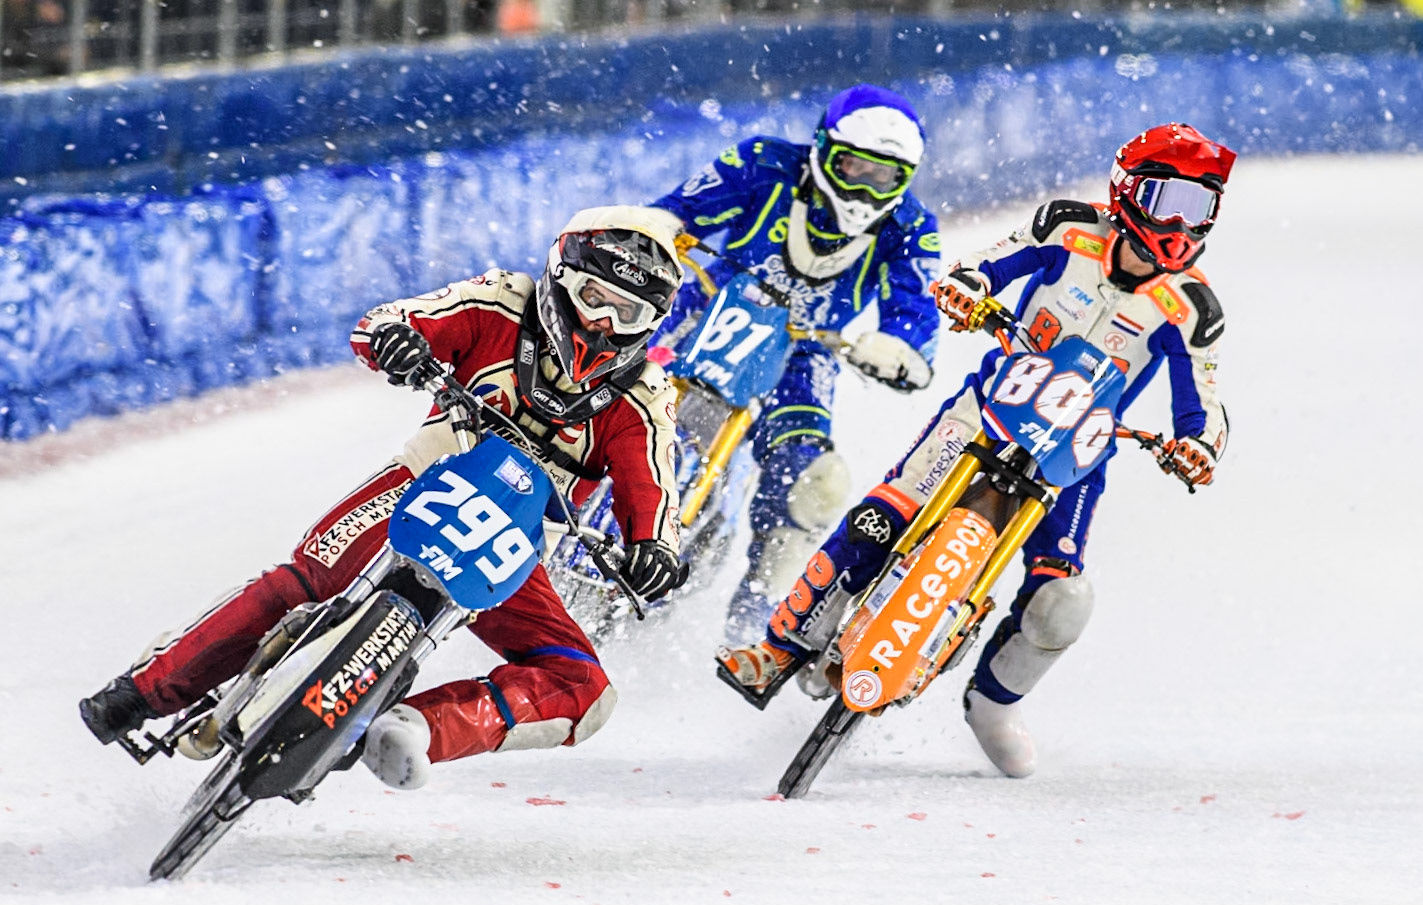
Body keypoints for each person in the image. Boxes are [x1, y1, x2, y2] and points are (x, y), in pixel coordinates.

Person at [80, 205, 690, 789]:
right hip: (423, 481)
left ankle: (409, 727)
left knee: (584, 687)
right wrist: (397, 340)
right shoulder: (501, 299)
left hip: (514, 546)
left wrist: (654, 549)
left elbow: (652, 489)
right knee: (307, 582)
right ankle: (144, 690)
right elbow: (384, 322)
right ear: (560, 280)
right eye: (592, 298)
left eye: (628, 313)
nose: (602, 324)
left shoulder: (645, 395)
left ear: (651, 325)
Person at [717, 123, 1235, 777]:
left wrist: (1197, 447)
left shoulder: (1190, 307)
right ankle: (779, 646)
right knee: (882, 515)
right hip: (986, 410)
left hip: (1075, 455)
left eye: (1202, 207)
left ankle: (993, 707)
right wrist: (966, 290)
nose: (1183, 227)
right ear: (1129, 191)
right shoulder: (1063, 229)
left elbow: (1203, 405)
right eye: (1171, 202)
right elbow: (982, 264)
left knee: (1061, 600)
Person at [649, 84, 942, 638]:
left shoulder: (911, 228)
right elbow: (678, 210)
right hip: (710, 305)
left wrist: (901, 347)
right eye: (852, 165)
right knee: (603, 384)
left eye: (885, 176)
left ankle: (756, 611)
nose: (864, 185)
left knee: (818, 482)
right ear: (821, 149)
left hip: (807, 352)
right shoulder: (761, 164)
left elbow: (917, 310)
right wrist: (657, 228)